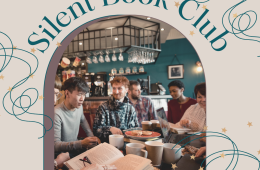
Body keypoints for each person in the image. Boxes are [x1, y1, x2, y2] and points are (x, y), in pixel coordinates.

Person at [54, 77, 100, 155]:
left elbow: (84, 124)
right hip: (61, 156)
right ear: (67, 93)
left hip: (75, 151)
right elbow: (55, 145)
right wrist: (81, 143)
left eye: (84, 95)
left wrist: (93, 139)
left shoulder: (79, 107)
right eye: (79, 94)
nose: (82, 99)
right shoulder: (56, 113)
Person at [93, 76, 139, 143]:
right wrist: (110, 129)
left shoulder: (131, 109)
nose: (116, 92)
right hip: (108, 146)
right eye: (114, 88)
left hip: (127, 144)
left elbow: (136, 129)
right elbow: (96, 130)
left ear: (126, 90)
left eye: (119, 88)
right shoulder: (103, 107)